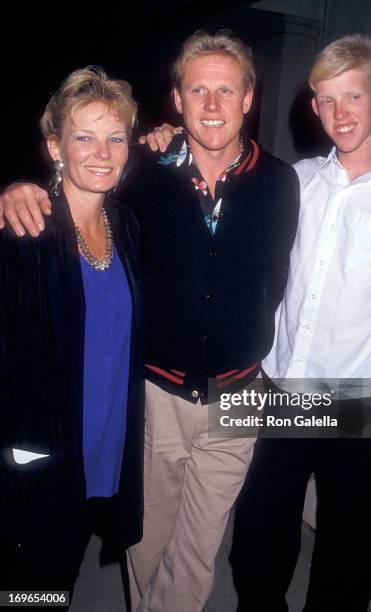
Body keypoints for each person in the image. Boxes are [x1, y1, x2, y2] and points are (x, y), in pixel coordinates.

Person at [0, 31, 300, 612]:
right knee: (127, 544)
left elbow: (285, 277)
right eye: (197, 90)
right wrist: (15, 187)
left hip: (238, 395)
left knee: (196, 552)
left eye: (225, 90)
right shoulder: (139, 177)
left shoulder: (280, 183)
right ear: (177, 99)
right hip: (141, 402)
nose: (212, 104)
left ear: (248, 98)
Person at [228, 34, 371, 612]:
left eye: (352, 97)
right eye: (326, 100)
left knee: (346, 557)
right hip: (285, 391)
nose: (340, 114)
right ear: (314, 106)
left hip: (368, 398)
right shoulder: (295, 182)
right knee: (256, 544)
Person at [0, 67, 144, 604]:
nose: (102, 152)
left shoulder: (126, 226)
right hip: (38, 454)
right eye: (83, 136)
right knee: (29, 589)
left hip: (100, 449)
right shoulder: (25, 227)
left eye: (115, 138)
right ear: (54, 146)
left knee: (61, 577)